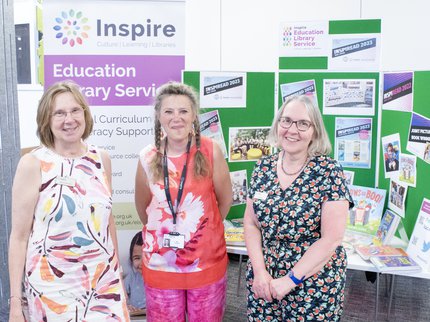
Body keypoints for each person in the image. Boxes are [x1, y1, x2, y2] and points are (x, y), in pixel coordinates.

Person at [8, 81, 129, 321]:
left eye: (75, 110)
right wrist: (15, 303)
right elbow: (19, 237)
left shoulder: (101, 159)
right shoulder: (33, 164)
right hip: (51, 288)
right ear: (47, 120)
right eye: (59, 113)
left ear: (85, 113)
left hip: (103, 283)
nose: (69, 119)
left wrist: (117, 274)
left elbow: (107, 221)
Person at [244, 95, 354, 321]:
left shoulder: (329, 171)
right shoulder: (262, 167)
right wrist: (259, 271)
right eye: (286, 121)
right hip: (264, 278)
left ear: (314, 131)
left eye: (303, 123)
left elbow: (331, 239)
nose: (292, 130)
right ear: (278, 124)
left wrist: (291, 280)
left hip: (313, 282)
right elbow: (251, 223)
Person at [134, 81, 232, 322]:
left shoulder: (211, 151)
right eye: (168, 111)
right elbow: (143, 209)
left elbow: (225, 200)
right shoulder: (147, 158)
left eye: (183, 111)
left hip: (206, 264)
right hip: (161, 266)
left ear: (194, 115)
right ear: (159, 116)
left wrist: (204, 230)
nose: (176, 118)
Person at [124, 232, 146, 314]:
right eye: (137, 258)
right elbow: (120, 295)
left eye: (146, 257)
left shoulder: (161, 278)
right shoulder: (131, 277)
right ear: (131, 260)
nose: (141, 263)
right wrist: (127, 305)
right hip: (136, 316)